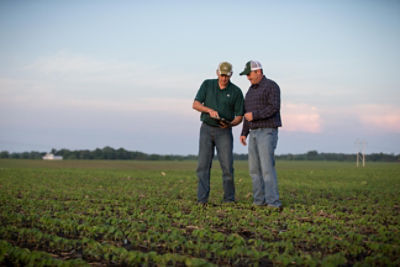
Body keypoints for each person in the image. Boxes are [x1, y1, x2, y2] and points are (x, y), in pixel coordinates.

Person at [193, 62, 244, 205]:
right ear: (217, 73)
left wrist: (230, 123)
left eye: (227, 76)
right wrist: (209, 110)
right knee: (203, 165)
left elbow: (239, 117)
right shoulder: (207, 85)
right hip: (206, 129)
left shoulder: (236, 92)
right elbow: (195, 104)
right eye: (222, 75)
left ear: (231, 75)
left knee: (227, 166)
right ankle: (202, 200)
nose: (224, 78)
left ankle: (229, 199)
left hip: (224, 131)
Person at [239, 60, 282, 208]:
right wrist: (244, 132)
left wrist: (255, 115)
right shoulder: (250, 91)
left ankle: (273, 203)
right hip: (253, 133)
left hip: (267, 131)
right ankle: (259, 201)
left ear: (258, 72)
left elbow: (274, 107)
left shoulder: (271, 86)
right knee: (254, 170)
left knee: (267, 169)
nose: (248, 78)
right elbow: (247, 114)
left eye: (249, 74)